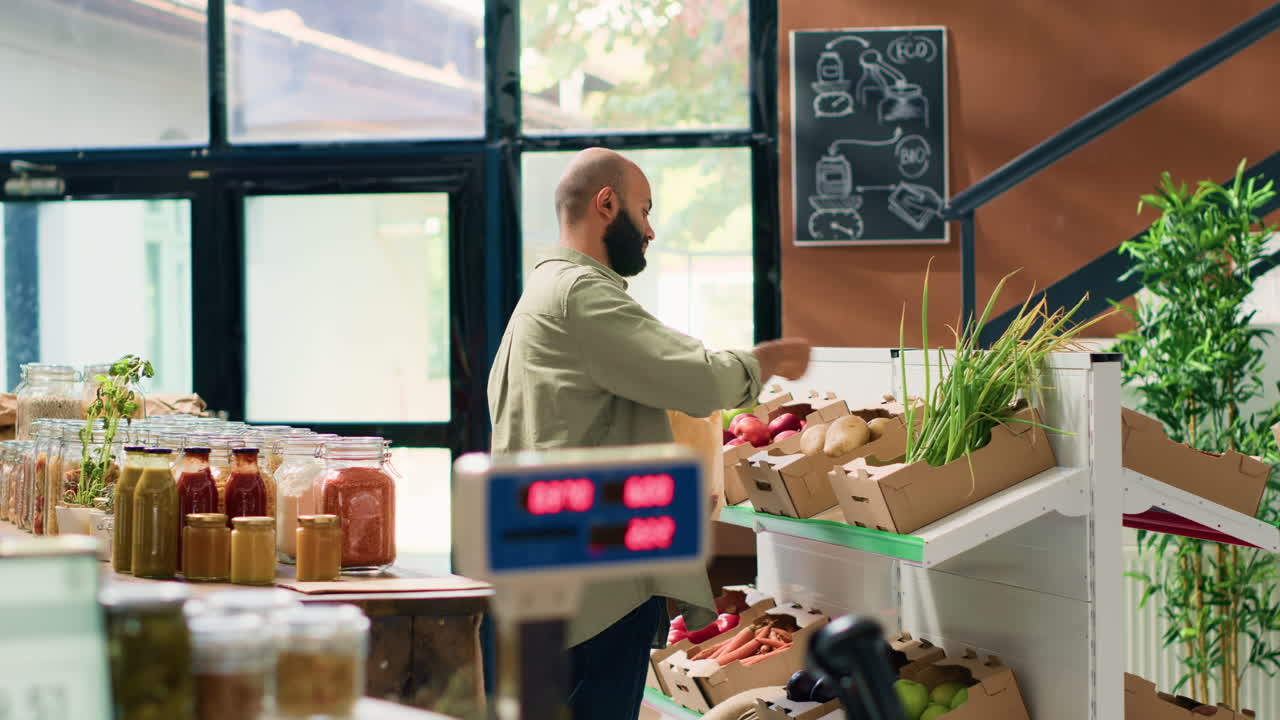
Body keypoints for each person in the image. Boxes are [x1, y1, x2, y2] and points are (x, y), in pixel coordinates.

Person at [487, 147, 812, 719]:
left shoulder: (537, 298)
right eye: (645, 209)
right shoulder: (579, 295)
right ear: (606, 204)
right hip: (595, 585)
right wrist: (766, 362)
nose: (652, 230)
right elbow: (694, 378)